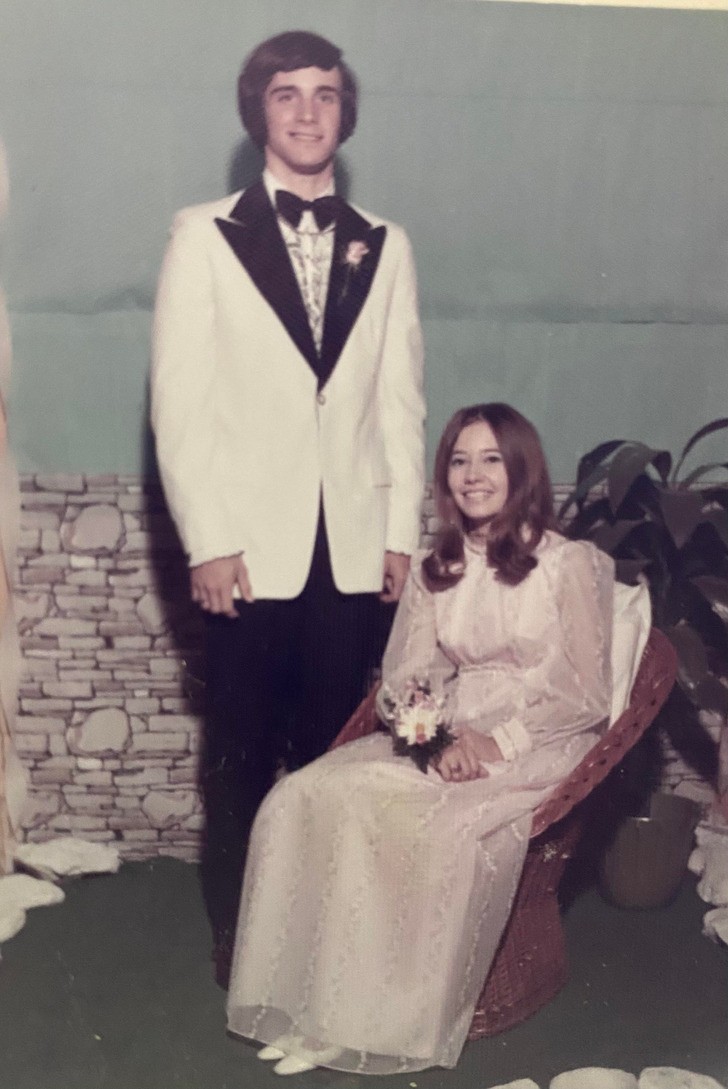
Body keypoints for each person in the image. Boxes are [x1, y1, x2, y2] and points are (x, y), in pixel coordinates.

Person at [225, 402, 615, 1075]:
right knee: (305, 794)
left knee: (422, 825)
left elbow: (585, 693)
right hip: (450, 729)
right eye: (459, 461)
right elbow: (403, 678)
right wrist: (432, 740)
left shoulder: (567, 563)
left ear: (522, 469)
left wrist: (496, 743)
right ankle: (306, 1007)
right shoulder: (440, 568)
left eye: (490, 459)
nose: (472, 475)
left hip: (540, 737)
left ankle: (365, 1022)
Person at [150, 30, 425, 972]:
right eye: (286, 94)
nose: (307, 111)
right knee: (240, 748)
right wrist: (208, 540)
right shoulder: (202, 235)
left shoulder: (386, 245)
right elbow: (180, 403)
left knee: (332, 753)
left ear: (345, 114)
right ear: (257, 113)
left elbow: (400, 403)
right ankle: (242, 939)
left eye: (325, 94)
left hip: (350, 548)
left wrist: (397, 534)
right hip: (246, 552)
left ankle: (316, 937)